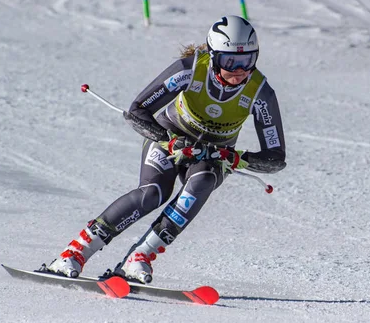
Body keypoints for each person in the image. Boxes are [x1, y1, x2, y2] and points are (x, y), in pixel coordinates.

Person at [46, 15, 287, 283]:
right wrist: (169, 140)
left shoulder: (260, 92)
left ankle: (140, 258)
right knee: (153, 193)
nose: (240, 70)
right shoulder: (189, 69)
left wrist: (235, 158)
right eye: (230, 61)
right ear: (214, 56)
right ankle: (75, 252)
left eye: (248, 60)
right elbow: (137, 111)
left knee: (202, 182)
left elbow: (275, 159)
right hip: (170, 134)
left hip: (214, 153)